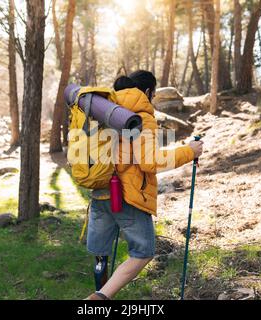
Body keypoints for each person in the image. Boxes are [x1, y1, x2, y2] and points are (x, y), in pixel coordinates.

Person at [85, 70, 204, 300]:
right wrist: (189, 151)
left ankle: (99, 293)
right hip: (127, 195)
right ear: (148, 92)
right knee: (143, 252)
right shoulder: (141, 115)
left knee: (101, 254)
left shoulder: (103, 109)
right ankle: (100, 299)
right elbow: (150, 161)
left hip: (100, 190)